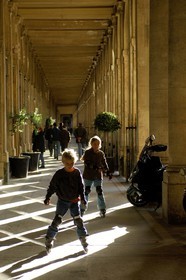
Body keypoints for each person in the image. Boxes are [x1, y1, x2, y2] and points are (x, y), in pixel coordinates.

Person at [44, 149, 89, 253]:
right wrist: (48, 197)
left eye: (72, 163)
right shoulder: (59, 174)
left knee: (78, 220)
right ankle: (49, 239)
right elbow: (52, 186)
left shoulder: (77, 173)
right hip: (63, 201)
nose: (70, 165)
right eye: (67, 163)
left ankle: (83, 238)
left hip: (74, 201)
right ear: (63, 162)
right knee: (57, 220)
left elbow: (81, 187)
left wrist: (83, 198)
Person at [80, 135, 112, 217]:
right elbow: (87, 163)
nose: (96, 146)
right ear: (91, 144)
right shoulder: (87, 152)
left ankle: (102, 208)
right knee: (86, 192)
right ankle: (82, 208)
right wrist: (96, 168)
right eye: (94, 144)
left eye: (98, 144)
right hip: (88, 175)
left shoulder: (101, 153)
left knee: (99, 191)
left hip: (97, 175)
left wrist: (108, 171)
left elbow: (104, 163)